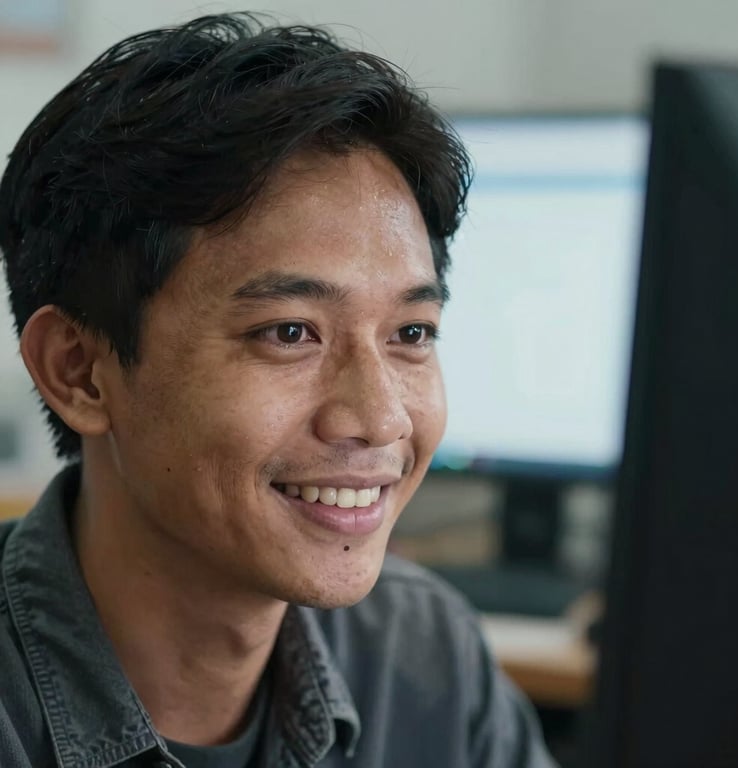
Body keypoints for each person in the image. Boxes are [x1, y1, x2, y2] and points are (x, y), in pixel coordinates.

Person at [0, 12, 556, 768]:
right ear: (79, 370)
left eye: (412, 334)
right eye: (290, 333)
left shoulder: (423, 656)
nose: (380, 417)